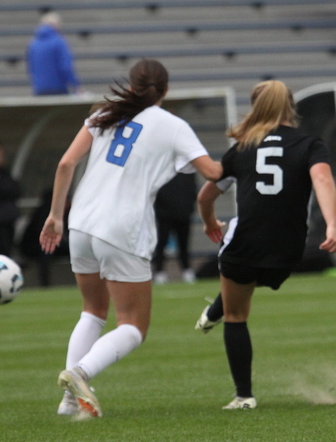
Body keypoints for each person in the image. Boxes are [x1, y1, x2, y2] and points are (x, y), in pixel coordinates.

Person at [40, 58, 222, 418]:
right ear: (165, 91)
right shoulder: (172, 125)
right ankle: (80, 374)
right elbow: (213, 172)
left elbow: (65, 164)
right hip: (122, 228)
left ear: (132, 85)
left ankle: (68, 401)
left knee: (92, 312)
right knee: (134, 326)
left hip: (80, 224)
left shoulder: (105, 113)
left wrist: (55, 217)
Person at [193, 80, 336, 410]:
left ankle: (244, 396)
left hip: (244, 245)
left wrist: (208, 222)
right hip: (289, 249)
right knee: (252, 279)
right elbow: (322, 179)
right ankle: (217, 306)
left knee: (236, 314)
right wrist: (332, 225)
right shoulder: (310, 144)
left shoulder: (243, 148)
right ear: (290, 107)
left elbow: (205, 195)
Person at [152, 172, 198, 285]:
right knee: (161, 243)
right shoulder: (162, 170)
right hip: (164, 215)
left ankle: (187, 270)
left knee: (184, 244)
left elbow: (192, 189)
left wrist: (189, 208)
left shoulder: (188, 172)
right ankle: (159, 271)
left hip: (183, 213)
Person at [26, 12, 82, 96]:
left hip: (39, 90)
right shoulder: (59, 42)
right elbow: (65, 67)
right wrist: (76, 85)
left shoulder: (33, 44)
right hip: (58, 89)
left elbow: (31, 68)